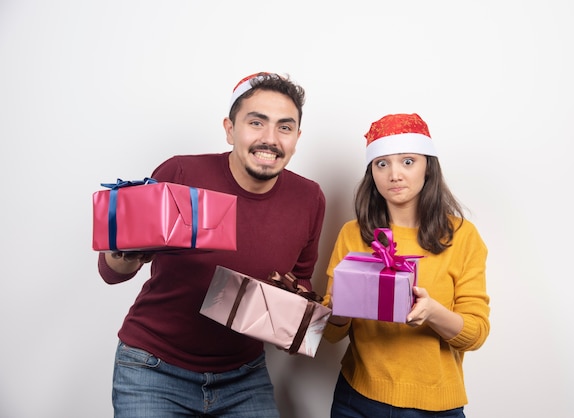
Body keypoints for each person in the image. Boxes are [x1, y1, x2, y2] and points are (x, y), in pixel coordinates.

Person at [97, 72, 326, 417]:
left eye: (284, 127)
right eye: (256, 122)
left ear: (296, 138)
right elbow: (110, 272)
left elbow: (301, 278)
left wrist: (298, 321)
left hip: (244, 377)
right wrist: (127, 249)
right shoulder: (181, 173)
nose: (270, 139)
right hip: (153, 368)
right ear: (230, 129)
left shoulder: (309, 197)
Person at [322, 113, 490, 417]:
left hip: (436, 407)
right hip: (356, 399)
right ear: (371, 172)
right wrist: (336, 308)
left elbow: (476, 334)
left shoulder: (462, 236)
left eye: (408, 161)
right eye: (382, 164)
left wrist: (432, 312)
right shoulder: (352, 233)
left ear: (429, 168)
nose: (394, 175)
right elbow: (332, 333)